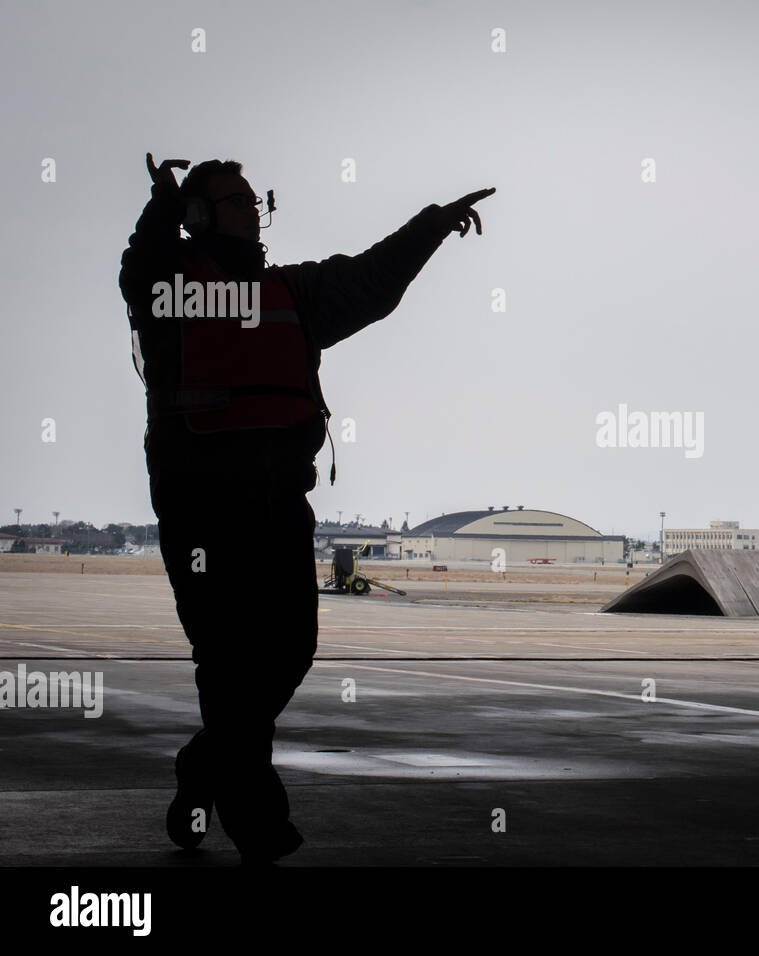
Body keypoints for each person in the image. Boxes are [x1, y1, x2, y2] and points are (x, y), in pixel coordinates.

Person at [118, 153, 494, 864]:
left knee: (291, 651)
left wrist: (430, 228)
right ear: (198, 218)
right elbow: (140, 270)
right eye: (232, 202)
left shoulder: (294, 293)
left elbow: (371, 279)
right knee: (228, 663)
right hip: (201, 509)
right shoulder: (172, 291)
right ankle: (259, 828)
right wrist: (162, 208)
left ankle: (203, 767)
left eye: (253, 200)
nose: (250, 211)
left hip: (279, 505)